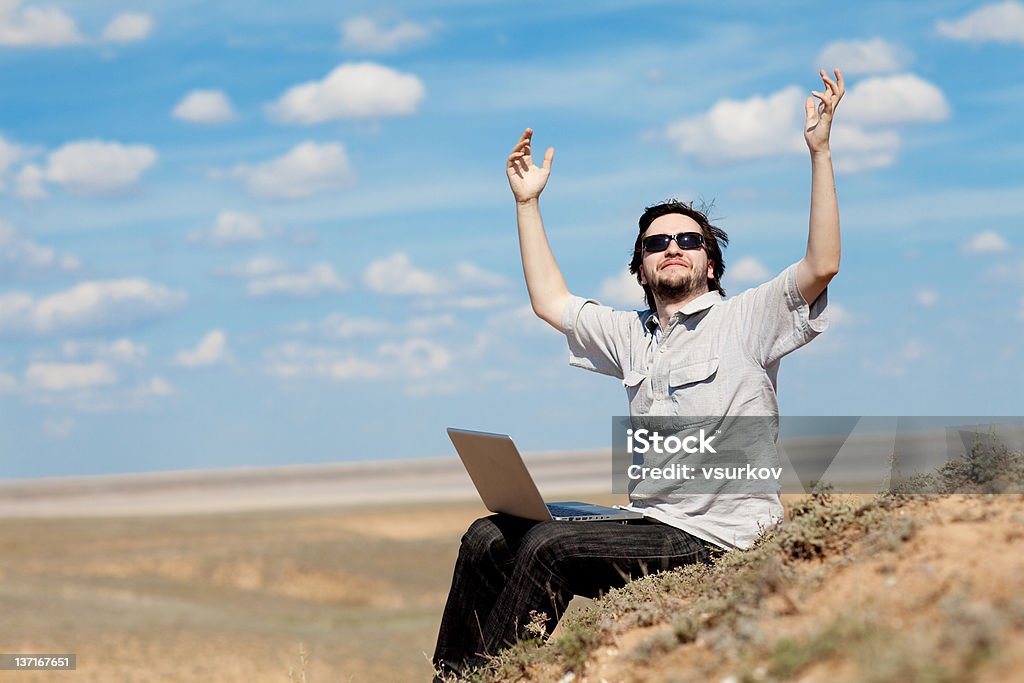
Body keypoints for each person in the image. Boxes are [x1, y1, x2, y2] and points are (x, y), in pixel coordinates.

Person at [432, 68, 844, 679]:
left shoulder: (748, 319)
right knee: (489, 535)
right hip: (648, 522)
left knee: (550, 548)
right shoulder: (633, 335)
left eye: (687, 239)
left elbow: (822, 262)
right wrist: (527, 204)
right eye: (657, 244)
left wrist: (819, 152)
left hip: (717, 536)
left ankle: (497, 677)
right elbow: (551, 302)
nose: (672, 247)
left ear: (711, 262)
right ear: (641, 269)